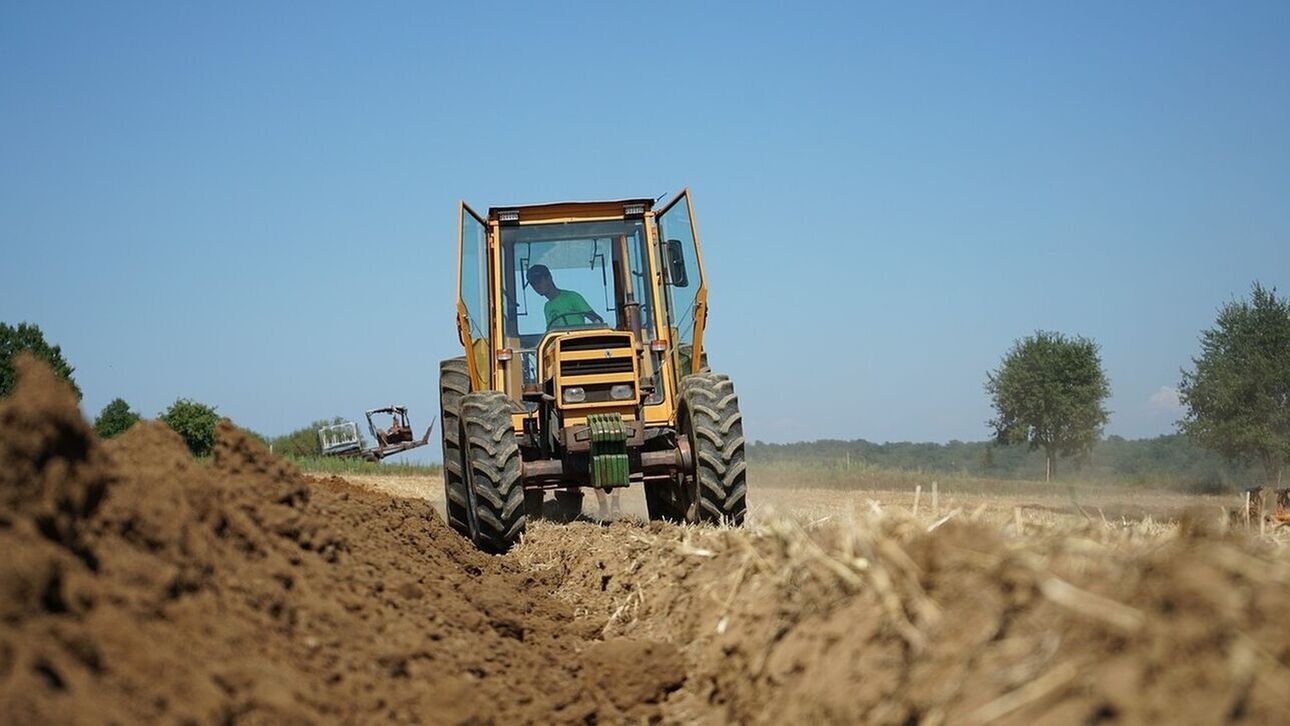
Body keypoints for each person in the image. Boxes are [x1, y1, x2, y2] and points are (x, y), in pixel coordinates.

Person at [526, 264, 604, 330]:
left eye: (539, 281)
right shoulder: (547, 307)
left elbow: (597, 320)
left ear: (549, 278)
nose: (536, 286)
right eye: (533, 284)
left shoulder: (572, 297)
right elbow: (550, 332)